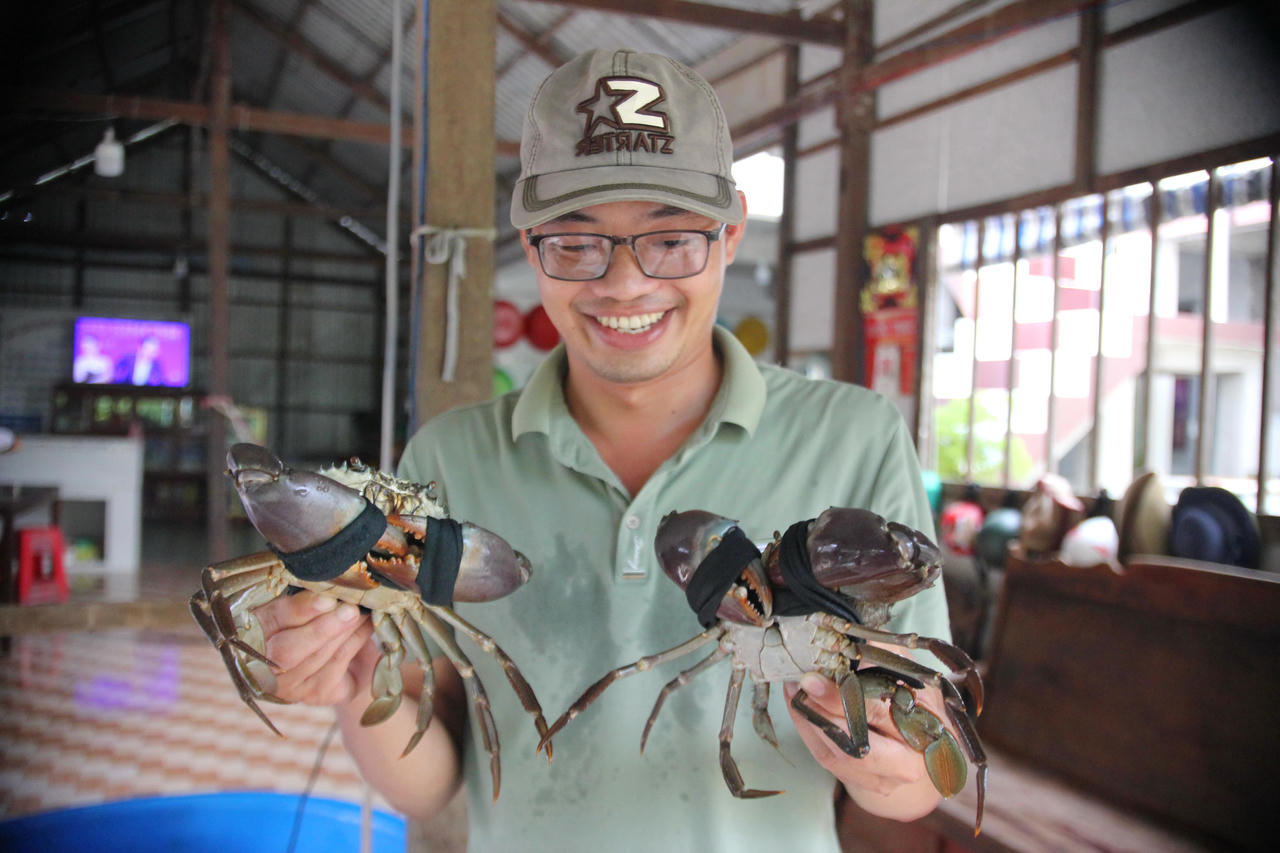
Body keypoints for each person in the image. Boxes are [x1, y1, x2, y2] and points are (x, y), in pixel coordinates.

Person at [251, 49, 954, 852]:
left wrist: (884, 763)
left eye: (671, 240)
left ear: (730, 235)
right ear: (529, 241)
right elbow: (436, 777)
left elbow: (918, 780)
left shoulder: (852, 438)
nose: (624, 285)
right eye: (578, 245)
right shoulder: (452, 459)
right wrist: (351, 688)